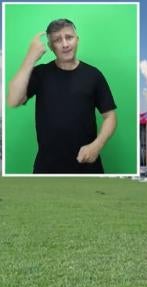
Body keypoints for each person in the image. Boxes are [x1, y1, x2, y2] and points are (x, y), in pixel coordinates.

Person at [7, 18, 117, 174]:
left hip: (87, 168)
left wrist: (97, 146)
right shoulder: (40, 74)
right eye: (58, 40)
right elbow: (13, 100)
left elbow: (110, 116)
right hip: (47, 169)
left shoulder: (94, 75)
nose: (65, 44)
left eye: (69, 37)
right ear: (51, 46)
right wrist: (30, 57)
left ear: (77, 40)